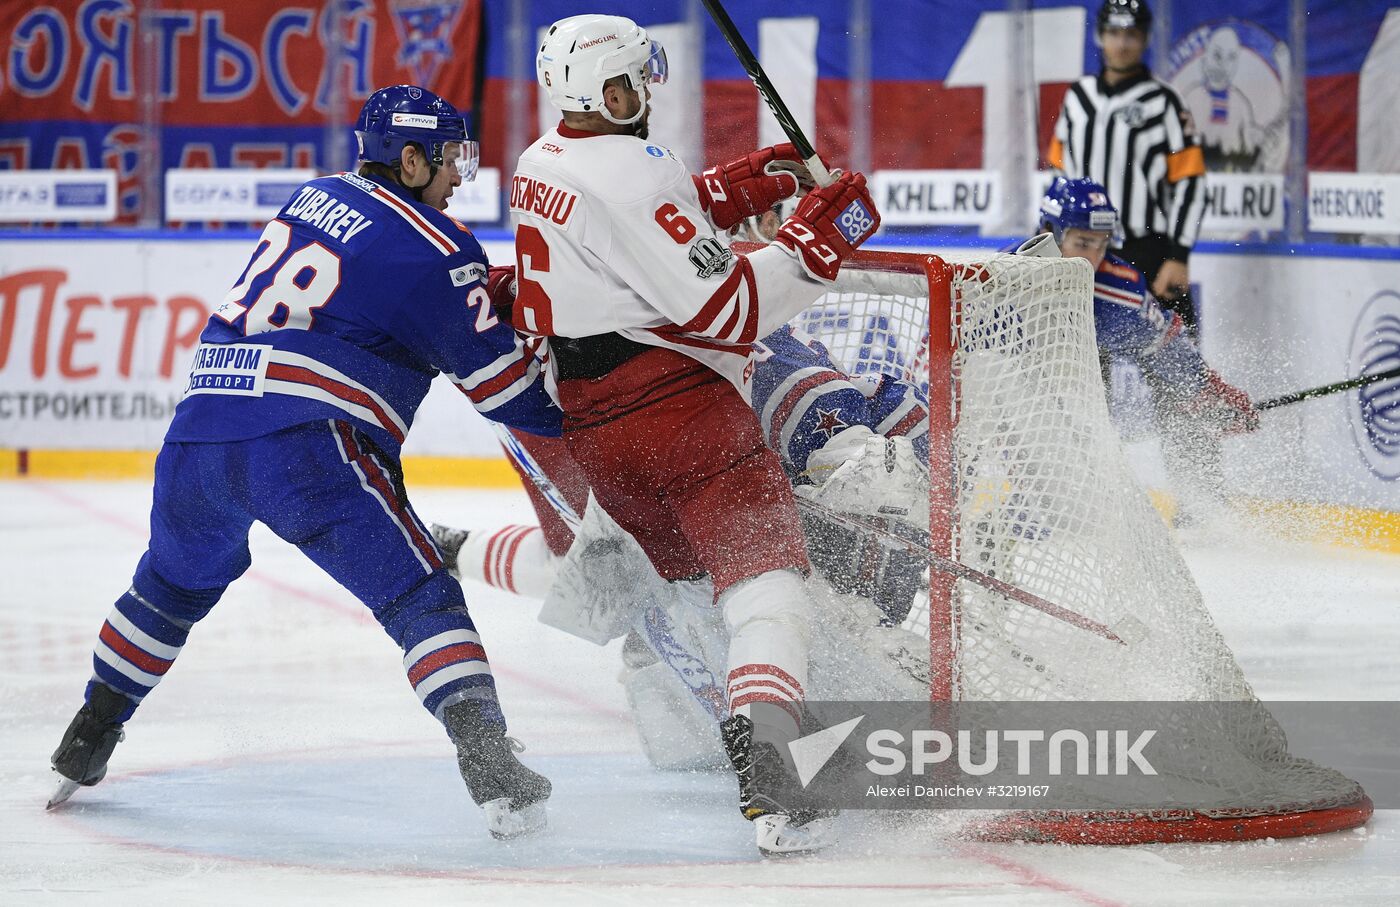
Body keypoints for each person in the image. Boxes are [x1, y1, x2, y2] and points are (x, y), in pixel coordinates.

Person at [46, 85, 558, 840]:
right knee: (420, 594)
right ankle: (490, 764)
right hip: (309, 444)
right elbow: (510, 394)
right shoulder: (439, 245)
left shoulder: (312, 196)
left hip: (200, 432)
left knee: (167, 585)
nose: (459, 175)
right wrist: (560, 358)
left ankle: (87, 734)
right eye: (449, 157)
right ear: (410, 157)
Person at [511, 13, 881, 856]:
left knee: (699, 594)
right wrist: (824, 236)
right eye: (634, 79)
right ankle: (778, 772)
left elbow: (655, 222)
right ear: (608, 88)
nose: (646, 91)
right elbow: (728, 310)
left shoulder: (542, 159)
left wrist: (755, 179)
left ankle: (758, 732)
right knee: (765, 585)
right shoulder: (634, 173)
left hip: (601, 432)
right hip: (681, 413)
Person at [1019, 177, 1257, 522]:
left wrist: (1207, 397)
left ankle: (1200, 510)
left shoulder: (1121, 294)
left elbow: (1168, 347)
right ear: (1048, 232)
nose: (1093, 259)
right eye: (1083, 243)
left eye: (1102, 246)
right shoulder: (1001, 279)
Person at [1047, 0, 1206, 333]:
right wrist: (1049, 232)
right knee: (1084, 359)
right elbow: (1059, 173)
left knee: (1177, 360)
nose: (1121, 44)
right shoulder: (1078, 96)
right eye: (1114, 33)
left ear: (1145, 39)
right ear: (1100, 36)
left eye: (1131, 34)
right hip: (1085, 251)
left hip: (1148, 251)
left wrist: (1178, 256)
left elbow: (1192, 182)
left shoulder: (1164, 101)